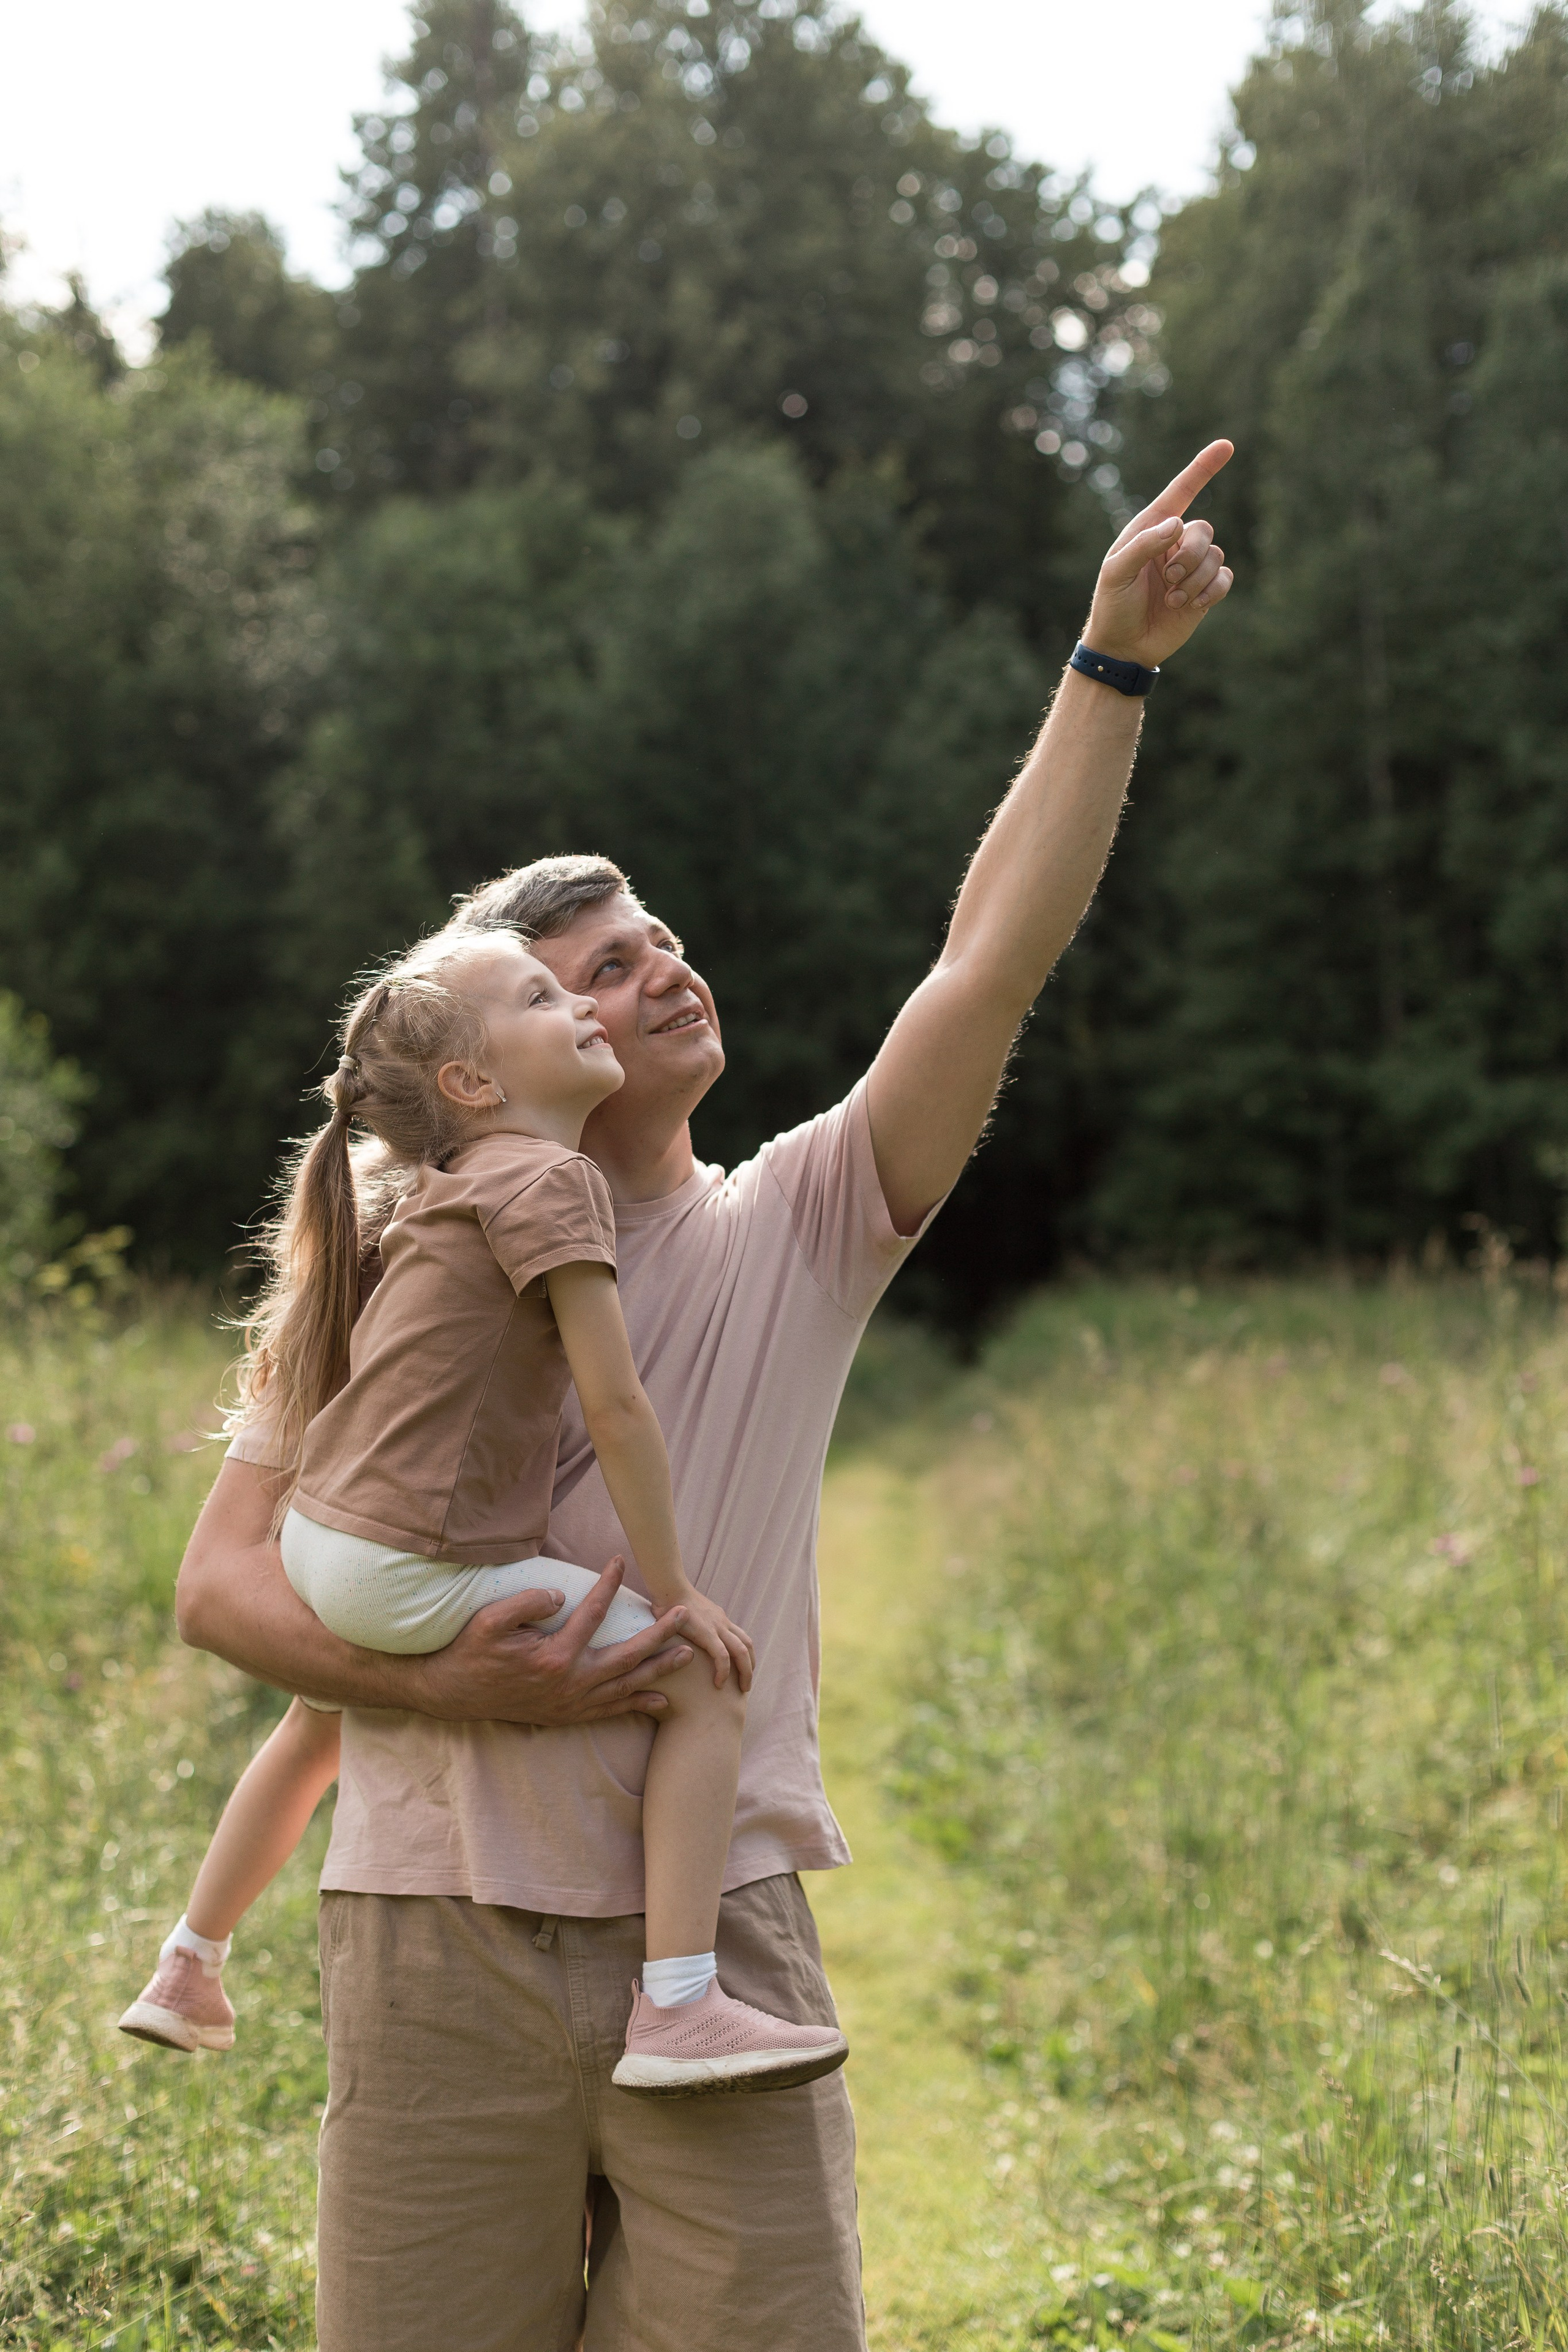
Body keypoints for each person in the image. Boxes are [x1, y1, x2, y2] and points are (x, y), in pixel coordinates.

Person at [173, 448, 1235, 2351]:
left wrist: (1110, 662)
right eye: (590, 972)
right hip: (431, 1935)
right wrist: (448, 1686)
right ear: (490, 1067)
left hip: (715, 1942)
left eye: (656, 942)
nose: (653, 973)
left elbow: (988, 959)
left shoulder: (807, 1220)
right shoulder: (383, 1263)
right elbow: (223, 1592)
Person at [120, 926, 846, 2094]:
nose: (586, 1010)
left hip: (330, 1541)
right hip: (407, 1565)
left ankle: (190, 1960)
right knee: (703, 1682)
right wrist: (678, 1595)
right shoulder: (553, 1181)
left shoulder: (445, 1190)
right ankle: (680, 2004)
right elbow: (617, 1410)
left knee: (320, 1722)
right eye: (547, 994)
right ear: (472, 1083)